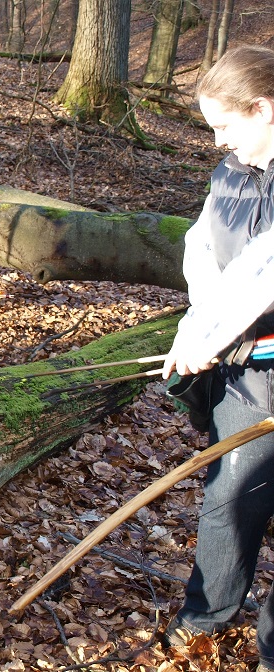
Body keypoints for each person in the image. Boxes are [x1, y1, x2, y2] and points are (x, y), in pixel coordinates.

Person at [160, 45, 274, 672]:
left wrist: (208, 334)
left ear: (263, 108)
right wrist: (198, 326)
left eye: (225, 125)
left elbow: (265, 268)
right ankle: (204, 618)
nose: (218, 141)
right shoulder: (231, 172)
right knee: (230, 496)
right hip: (247, 374)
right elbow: (201, 248)